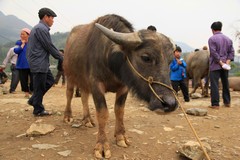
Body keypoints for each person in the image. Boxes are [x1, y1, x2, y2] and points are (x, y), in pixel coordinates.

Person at [26, 7, 63, 116]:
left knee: (50, 81)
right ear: (46, 17)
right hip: (39, 62)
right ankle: (38, 110)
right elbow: (49, 46)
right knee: (39, 86)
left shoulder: (39, 28)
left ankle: (34, 100)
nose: (53, 20)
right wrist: (62, 57)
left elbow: (48, 46)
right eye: (52, 18)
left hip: (41, 62)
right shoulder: (41, 29)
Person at [208, 21, 235, 109]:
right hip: (225, 66)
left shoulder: (212, 39)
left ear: (212, 30)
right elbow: (231, 52)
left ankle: (215, 104)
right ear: (220, 28)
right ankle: (227, 102)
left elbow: (213, 52)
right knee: (225, 83)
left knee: (215, 85)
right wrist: (227, 62)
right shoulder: (228, 39)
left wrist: (220, 62)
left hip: (215, 65)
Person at [14, 28, 33, 98]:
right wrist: (22, 44)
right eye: (21, 34)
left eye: (23, 34)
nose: (21, 35)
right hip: (22, 64)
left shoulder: (32, 43)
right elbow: (16, 51)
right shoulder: (18, 42)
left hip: (31, 64)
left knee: (33, 79)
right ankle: (26, 92)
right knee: (23, 80)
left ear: (28, 35)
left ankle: (32, 90)